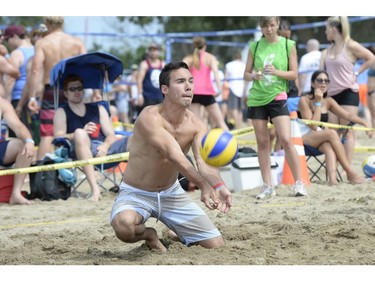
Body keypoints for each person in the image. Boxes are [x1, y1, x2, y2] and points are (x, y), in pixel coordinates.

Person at [110, 61, 232, 252]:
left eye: (191, 81)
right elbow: (173, 154)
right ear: (165, 89)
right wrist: (202, 184)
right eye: (181, 81)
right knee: (124, 227)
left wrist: (218, 185)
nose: (189, 86)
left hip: (171, 193)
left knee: (215, 246)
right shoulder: (149, 116)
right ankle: (150, 235)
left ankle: (174, 232)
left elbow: (203, 162)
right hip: (137, 193)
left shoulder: (197, 124)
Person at [243, 16, 307, 199]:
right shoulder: (254, 46)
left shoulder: (288, 44)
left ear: (278, 25)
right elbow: (245, 74)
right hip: (257, 98)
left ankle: (299, 183)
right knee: (263, 143)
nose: (269, 29)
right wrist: (253, 75)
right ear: (261, 27)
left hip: (278, 96)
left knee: (286, 139)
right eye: (265, 26)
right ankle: (267, 185)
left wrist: (277, 72)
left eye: (272, 25)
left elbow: (294, 73)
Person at [53, 75, 131, 202]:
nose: (77, 92)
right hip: (78, 150)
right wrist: (80, 132)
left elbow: (111, 135)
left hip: (103, 149)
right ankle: (95, 190)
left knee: (135, 138)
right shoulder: (62, 111)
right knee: (80, 133)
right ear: (66, 93)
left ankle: (133, 187)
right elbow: (58, 136)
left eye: (79, 88)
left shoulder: (98, 108)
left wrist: (105, 147)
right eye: (72, 89)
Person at [297, 70, 372, 185]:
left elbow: (347, 115)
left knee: (328, 146)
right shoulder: (304, 100)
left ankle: (332, 181)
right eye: (320, 80)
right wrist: (318, 103)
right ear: (312, 83)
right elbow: (313, 125)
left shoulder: (328, 101)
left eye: (326, 81)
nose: (323, 83)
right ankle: (349, 172)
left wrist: (365, 124)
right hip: (303, 137)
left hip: (317, 137)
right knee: (332, 133)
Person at [27, 16, 86, 160]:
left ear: (47, 24)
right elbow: (87, 65)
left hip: (51, 89)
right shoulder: (76, 42)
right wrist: (95, 92)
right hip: (73, 89)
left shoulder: (42, 43)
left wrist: (33, 96)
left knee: (47, 134)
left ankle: (42, 176)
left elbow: (36, 69)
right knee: (77, 130)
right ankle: (87, 172)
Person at [320, 16, 375, 164]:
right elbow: (321, 73)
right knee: (332, 132)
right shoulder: (327, 51)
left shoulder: (350, 45)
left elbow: (370, 58)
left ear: (333, 29)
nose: (325, 31)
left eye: (326, 28)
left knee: (347, 130)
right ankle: (335, 166)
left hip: (348, 93)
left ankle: (346, 168)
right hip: (331, 95)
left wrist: (356, 73)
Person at [183, 37, 229, 130]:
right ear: (204, 46)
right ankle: (234, 144)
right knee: (221, 123)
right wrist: (219, 89)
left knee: (196, 125)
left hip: (193, 93)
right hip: (207, 93)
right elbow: (216, 73)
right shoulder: (210, 57)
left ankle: (199, 144)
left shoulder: (188, 58)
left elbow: (180, 72)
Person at [0, 96, 35, 205]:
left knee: (24, 146)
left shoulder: (2, 103)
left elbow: (18, 127)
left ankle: (16, 194)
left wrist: (29, 141)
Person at [3, 25, 35, 138]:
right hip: (34, 97)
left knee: (18, 135)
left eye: (7, 39)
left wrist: (5, 99)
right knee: (34, 135)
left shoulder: (17, 53)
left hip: (18, 99)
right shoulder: (36, 49)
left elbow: (11, 78)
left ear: (15, 37)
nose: (7, 43)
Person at [137, 43, 165, 113]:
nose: (152, 52)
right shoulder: (144, 64)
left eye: (154, 50)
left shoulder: (163, 64)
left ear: (158, 51)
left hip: (160, 97)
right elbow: (139, 80)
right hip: (148, 97)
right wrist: (139, 95)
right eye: (150, 50)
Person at [225, 51, 247, 129]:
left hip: (232, 88)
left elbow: (226, 78)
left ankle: (237, 126)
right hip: (242, 89)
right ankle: (239, 126)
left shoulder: (229, 65)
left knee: (233, 108)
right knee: (240, 109)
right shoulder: (244, 65)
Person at [367, 47, 375, 129]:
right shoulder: (371, 62)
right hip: (369, 91)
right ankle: (373, 129)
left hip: (373, 91)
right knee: (372, 112)